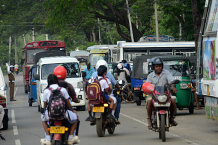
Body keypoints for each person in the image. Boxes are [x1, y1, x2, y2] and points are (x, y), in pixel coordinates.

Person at [40, 74, 79, 144]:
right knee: (75, 119)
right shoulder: (63, 90)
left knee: (43, 120)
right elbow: (68, 104)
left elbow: (45, 106)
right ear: (57, 81)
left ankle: (48, 138)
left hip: (50, 115)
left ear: (48, 82)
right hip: (63, 114)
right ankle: (70, 138)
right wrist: (72, 110)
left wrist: (43, 112)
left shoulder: (46, 91)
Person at [146, 57, 178, 130]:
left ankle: (171, 118)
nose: (158, 68)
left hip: (165, 94)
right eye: (157, 66)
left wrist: (173, 86)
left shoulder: (166, 73)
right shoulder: (150, 76)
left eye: (160, 66)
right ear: (154, 67)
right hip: (153, 94)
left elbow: (171, 81)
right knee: (149, 101)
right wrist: (146, 88)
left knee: (173, 100)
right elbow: (147, 85)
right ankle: (149, 120)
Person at [53, 66, 81, 136]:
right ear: (65, 75)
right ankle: (72, 136)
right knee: (76, 119)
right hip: (66, 111)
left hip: (52, 112)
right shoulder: (68, 86)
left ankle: (47, 137)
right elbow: (73, 99)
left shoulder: (51, 87)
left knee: (47, 123)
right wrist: (77, 101)